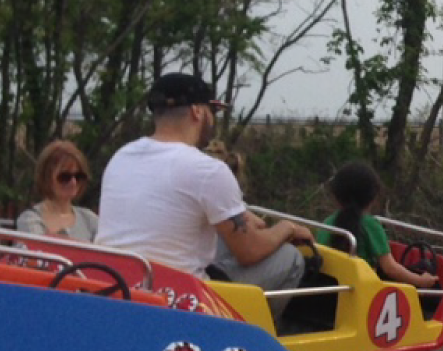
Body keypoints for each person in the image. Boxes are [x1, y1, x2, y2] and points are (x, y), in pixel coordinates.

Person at [97, 72, 313, 291]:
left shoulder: (123, 156)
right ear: (197, 112)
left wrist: (245, 215)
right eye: (213, 111)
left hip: (115, 282)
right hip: (176, 293)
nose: (214, 119)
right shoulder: (207, 170)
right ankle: (254, 325)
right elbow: (250, 252)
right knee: (290, 257)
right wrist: (287, 228)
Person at [321, 161, 439, 290]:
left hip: (333, 291)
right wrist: (421, 281)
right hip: (365, 294)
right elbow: (390, 268)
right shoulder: (370, 225)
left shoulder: (327, 224)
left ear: (337, 195)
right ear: (372, 197)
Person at [17, 140, 99, 242]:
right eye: (65, 177)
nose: (73, 182)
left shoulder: (90, 219)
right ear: (47, 178)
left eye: (78, 176)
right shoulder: (30, 219)